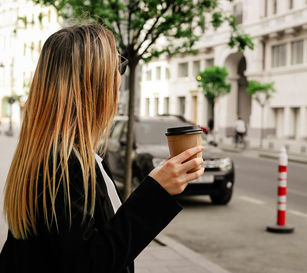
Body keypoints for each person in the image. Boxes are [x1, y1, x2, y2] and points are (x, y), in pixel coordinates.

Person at [0, 24, 205, 273]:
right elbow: (89, 265)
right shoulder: (64, 163)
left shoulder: (66, 154)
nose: (121, 78)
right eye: (119, 65)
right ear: (96, 82)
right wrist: (156, 192)